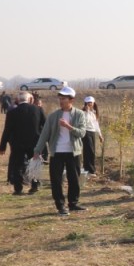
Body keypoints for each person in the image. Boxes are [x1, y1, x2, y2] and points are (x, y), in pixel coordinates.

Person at [31, 86, 88, 215]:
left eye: (64, 99)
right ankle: (60, 206)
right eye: (60, 99)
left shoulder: (79, 114)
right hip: (57, 152)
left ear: (71, 100)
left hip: (74, 152)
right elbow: (44, 134)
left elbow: (82, 133)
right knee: (56, 180)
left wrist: (68, 127)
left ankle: (73, 203)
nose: (61, 101)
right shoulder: (53, 116)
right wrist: (37, 150)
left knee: (74, 179)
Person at [0, 91, 44, 195]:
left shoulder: (12, 112)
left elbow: (7, 130)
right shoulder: (38, 110)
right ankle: (35, 185)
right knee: (34, 163)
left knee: (17, 165)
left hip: (17, 144)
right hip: (34, 142)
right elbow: (44, 126)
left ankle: (18, 188)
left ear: (18, 101)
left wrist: (2, 146)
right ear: (30, 100)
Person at [81, 96, 102, 176]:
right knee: (89, 150)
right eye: (88, 103)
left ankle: (89, 169)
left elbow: (96, 124)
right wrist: (87, 112)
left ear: (93, 103)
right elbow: (85, 122)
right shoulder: (83, 112)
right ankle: (90, 170)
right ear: (85, 104)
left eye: (91, 103)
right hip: (86, 132)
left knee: (91, 151)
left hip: (92, 132)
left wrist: (100, 134)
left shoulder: (94, 112)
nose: (90, 104)